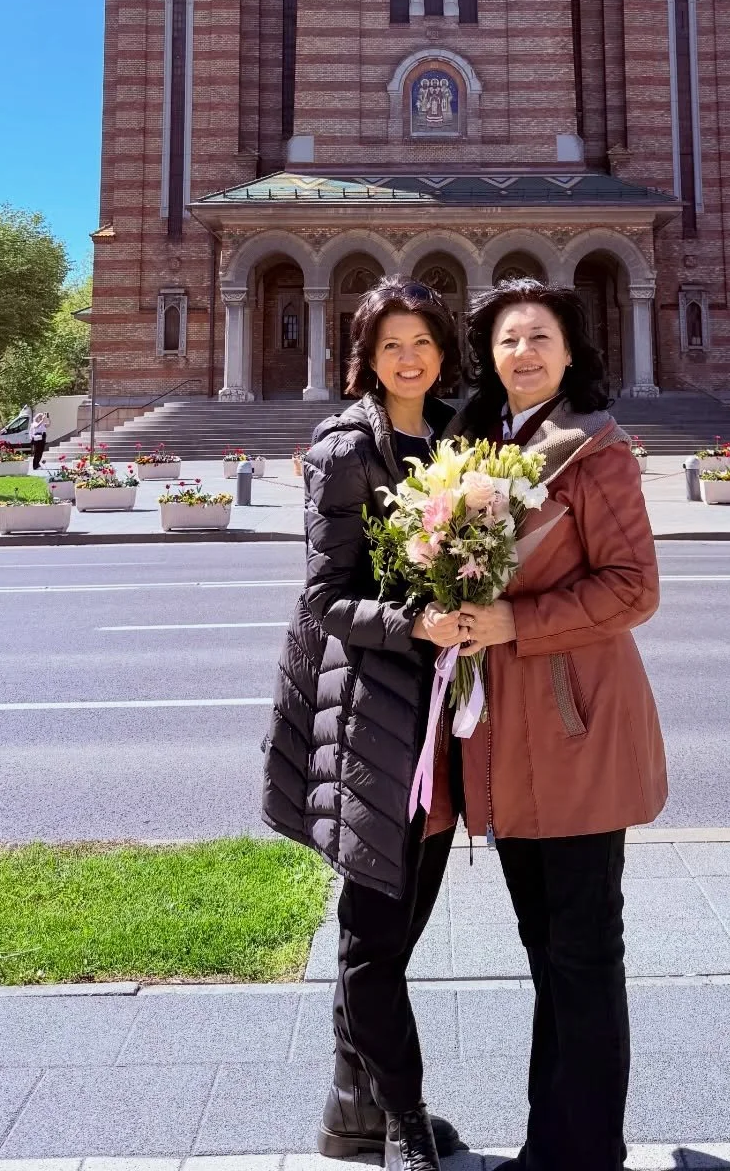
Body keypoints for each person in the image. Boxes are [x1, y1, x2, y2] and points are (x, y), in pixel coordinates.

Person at [449, 279, 668, 1171]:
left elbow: (634, 587)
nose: (524, 353)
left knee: (581, 955)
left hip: (576, 728)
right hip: (512, 738)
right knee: (548, 954)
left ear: (571, 351)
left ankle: (583, 1157)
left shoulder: (595, 449)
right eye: (508, 340)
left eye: (541, 337)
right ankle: (554, 1147)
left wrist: (514, 623)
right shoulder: (487, 446)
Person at [263, 277, 467, 1171]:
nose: (409, 357)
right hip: (373, 715)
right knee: (374, 936)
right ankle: (407, 1122)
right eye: (392, 344)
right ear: (367, 355)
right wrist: (415, 621)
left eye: (422, 341)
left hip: (444, 714)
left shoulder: (463, 439)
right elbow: (324, 596)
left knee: (400, 925)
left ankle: (353, 1111)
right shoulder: (346, 447)